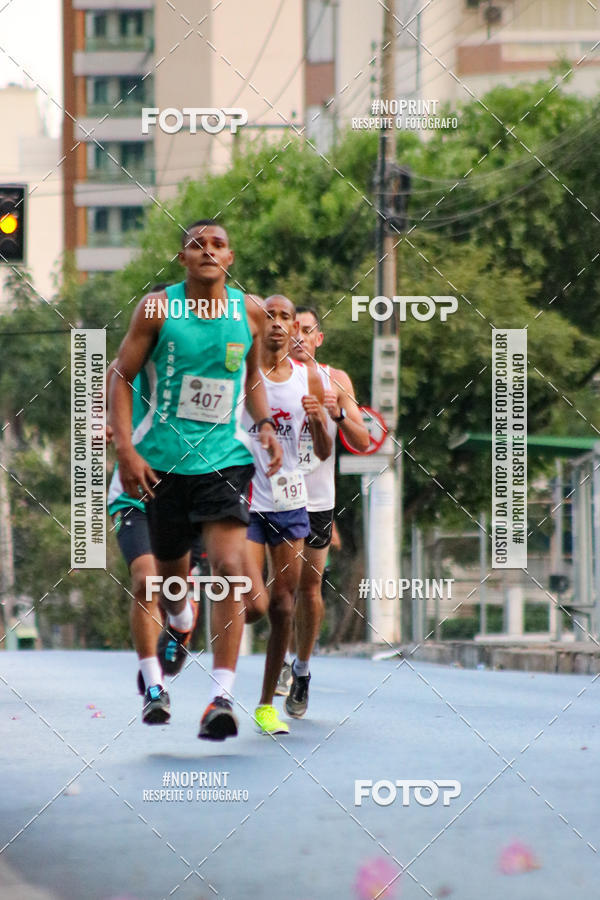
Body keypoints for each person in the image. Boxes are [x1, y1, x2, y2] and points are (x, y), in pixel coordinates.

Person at [109, 220, 282, 741]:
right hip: (161, 464)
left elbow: (252, 377)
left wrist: (265, 423)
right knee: (166, 582)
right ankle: (179, 623)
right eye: (196, 244)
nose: (207, 250)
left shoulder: (249, 312)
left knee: (229, 569)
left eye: (218, 244)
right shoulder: (157, 309)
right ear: (182, 257)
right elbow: (120, 374)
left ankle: (221, 698)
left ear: (230, 257)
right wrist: (125, 449)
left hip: (223, 461)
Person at [241, 295, 332, 735]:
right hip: (244, 498)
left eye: (285, 317)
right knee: (254, 605)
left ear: (296, 327)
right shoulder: (243, 371)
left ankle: (265, 706)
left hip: (290, 499)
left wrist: (317, 420)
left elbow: (324, 449)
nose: (277, 323)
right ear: (258, 324)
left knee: (282, 604)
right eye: (269, 316)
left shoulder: (306, 376)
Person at [279, 305, 369, 718]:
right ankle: (282, 658)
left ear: (318, 338)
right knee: (280, 588)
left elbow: (363, 439)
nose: (298, 336)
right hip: (276, 498)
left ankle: (301, 669)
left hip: (317, 501)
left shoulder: (336, 380)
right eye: (292, 329)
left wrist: (338, 413)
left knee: (309, 588)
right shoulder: (269, 375)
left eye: (307, 330)